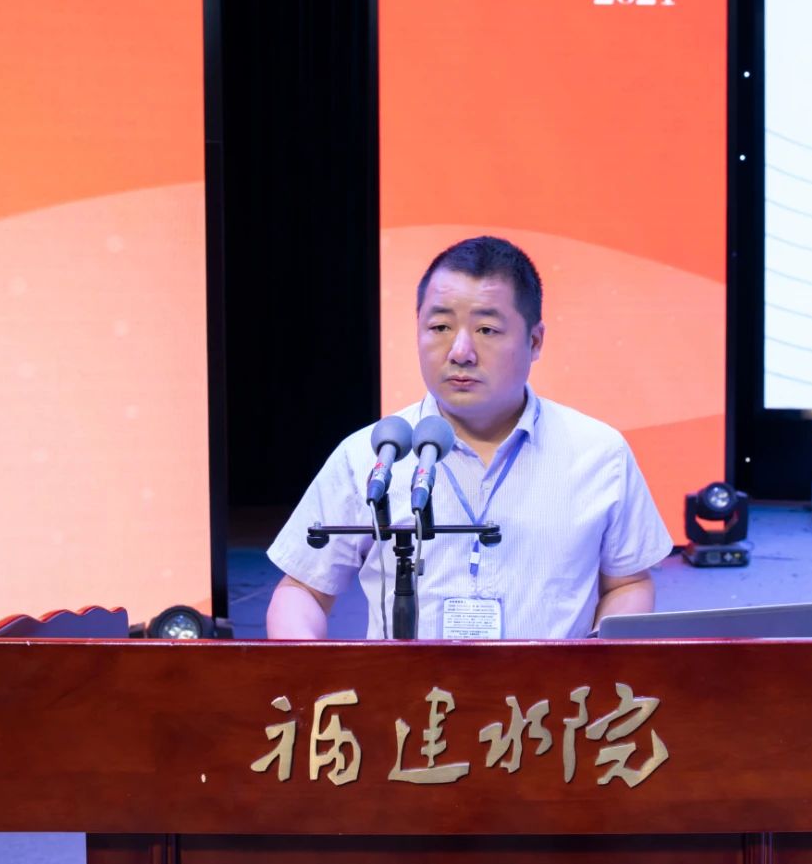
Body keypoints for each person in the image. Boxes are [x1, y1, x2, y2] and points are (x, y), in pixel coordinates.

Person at [265, 236, 673, 639]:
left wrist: (598, 659)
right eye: (440, 327)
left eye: (486, 330)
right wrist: (307, 670)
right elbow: (302, 590)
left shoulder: (598, 452)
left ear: (534, 341)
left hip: (549, 685)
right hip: (409, 685)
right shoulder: (374, 455)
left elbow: (627, 583)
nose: (460, 351)